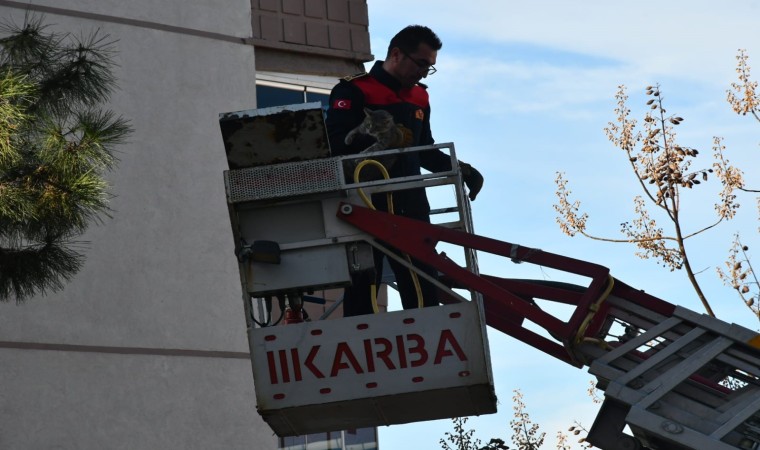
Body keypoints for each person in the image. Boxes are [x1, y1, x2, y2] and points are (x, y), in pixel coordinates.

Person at [325, 25, 483, 317]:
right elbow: (336, 146)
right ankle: (365, 346)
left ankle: (428, 338)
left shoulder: (420, 97)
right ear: (396, 54)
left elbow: (424, 150)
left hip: (410, 202)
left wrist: (462, 170)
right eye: (421, 63)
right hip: (365, 202)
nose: (424, 73)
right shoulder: (353, 89)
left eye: (430, 68)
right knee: (364, 282)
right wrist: (379, 139)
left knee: (421, 280)